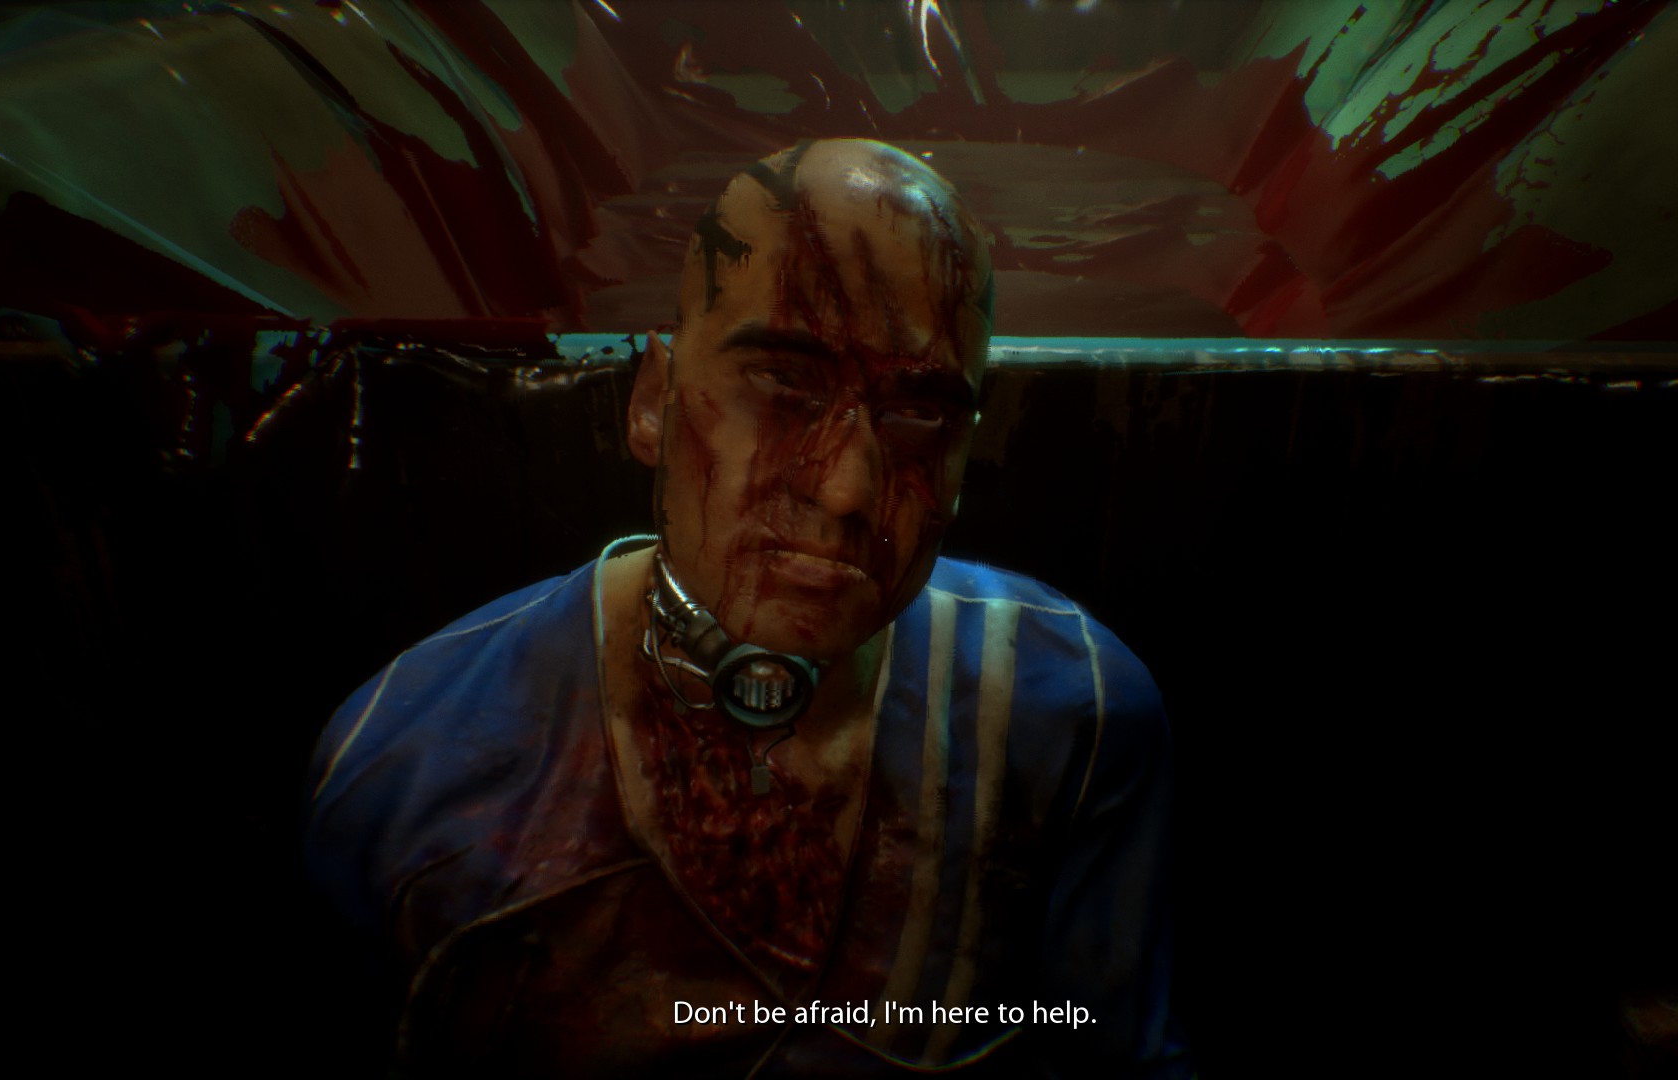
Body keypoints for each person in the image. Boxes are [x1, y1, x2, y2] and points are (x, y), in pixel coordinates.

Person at [307, 139, 1188, 1077]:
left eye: (919, 412)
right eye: (783, 384)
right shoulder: (408, 770)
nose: (846, 489)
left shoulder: (1067, 718)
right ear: (655, 400)